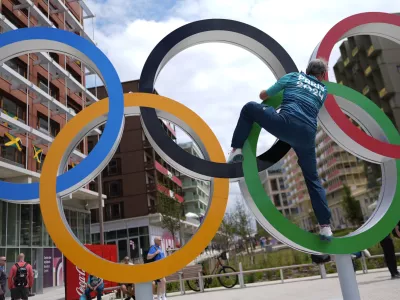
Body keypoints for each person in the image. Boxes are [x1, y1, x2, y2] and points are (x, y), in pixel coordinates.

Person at [227, 59, 332, 241]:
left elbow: (264, 96)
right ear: (322, 75)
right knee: (313, 179)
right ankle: (325, 227)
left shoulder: (292, 77)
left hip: (284, 123)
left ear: (306, 71)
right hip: (306, 135)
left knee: (249, 108)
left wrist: (268, 93)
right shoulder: (323, 90)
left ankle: (236, 150)